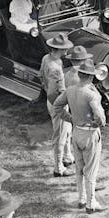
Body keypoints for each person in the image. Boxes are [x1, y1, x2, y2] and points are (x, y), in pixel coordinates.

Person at [52, 60, 107, 213]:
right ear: (90, 77)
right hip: (89, 133)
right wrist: (96, 123)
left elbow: (57, 106)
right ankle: (91, 204)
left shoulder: (70, 90)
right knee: (91, 170)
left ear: (79, 74)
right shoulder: (90, 94)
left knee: (79, 168)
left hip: (76, 132)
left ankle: (82, 198)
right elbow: (101, 118)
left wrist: (70, 118)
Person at [40, 33, 75, 178]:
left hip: (51, 99)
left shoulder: (47, 58)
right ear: (56, 49)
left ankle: (67, 157)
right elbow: (58, 90)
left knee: (66, 131)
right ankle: (58, 167)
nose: (66, 51)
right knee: (60, 135)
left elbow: (41, 77)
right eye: (64, 49)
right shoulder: (55, 67)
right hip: (57, 101)